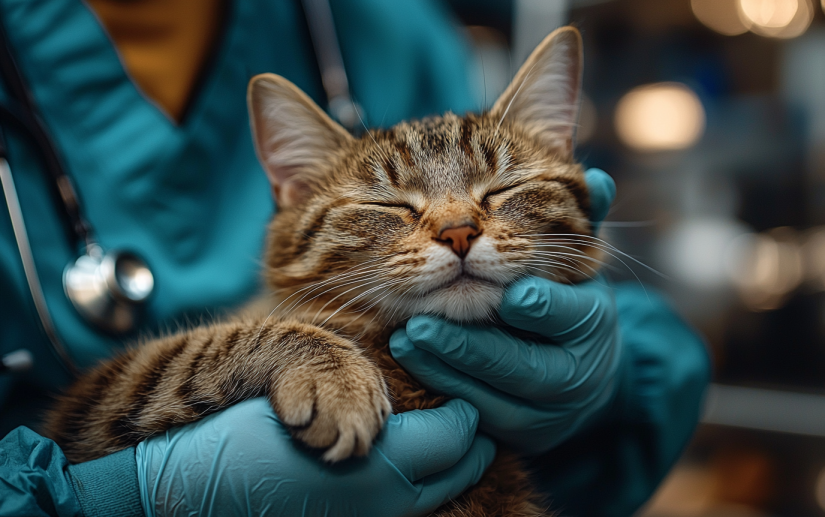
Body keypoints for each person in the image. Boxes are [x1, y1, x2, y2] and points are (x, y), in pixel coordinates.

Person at [0, 0, 710, 516]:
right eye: (390, 208)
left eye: (501, 191)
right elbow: (75, 427)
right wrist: (117, 497)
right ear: (292, 190)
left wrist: (607, 381)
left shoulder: (386, 25)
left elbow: (657, 348)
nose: (457, 227)